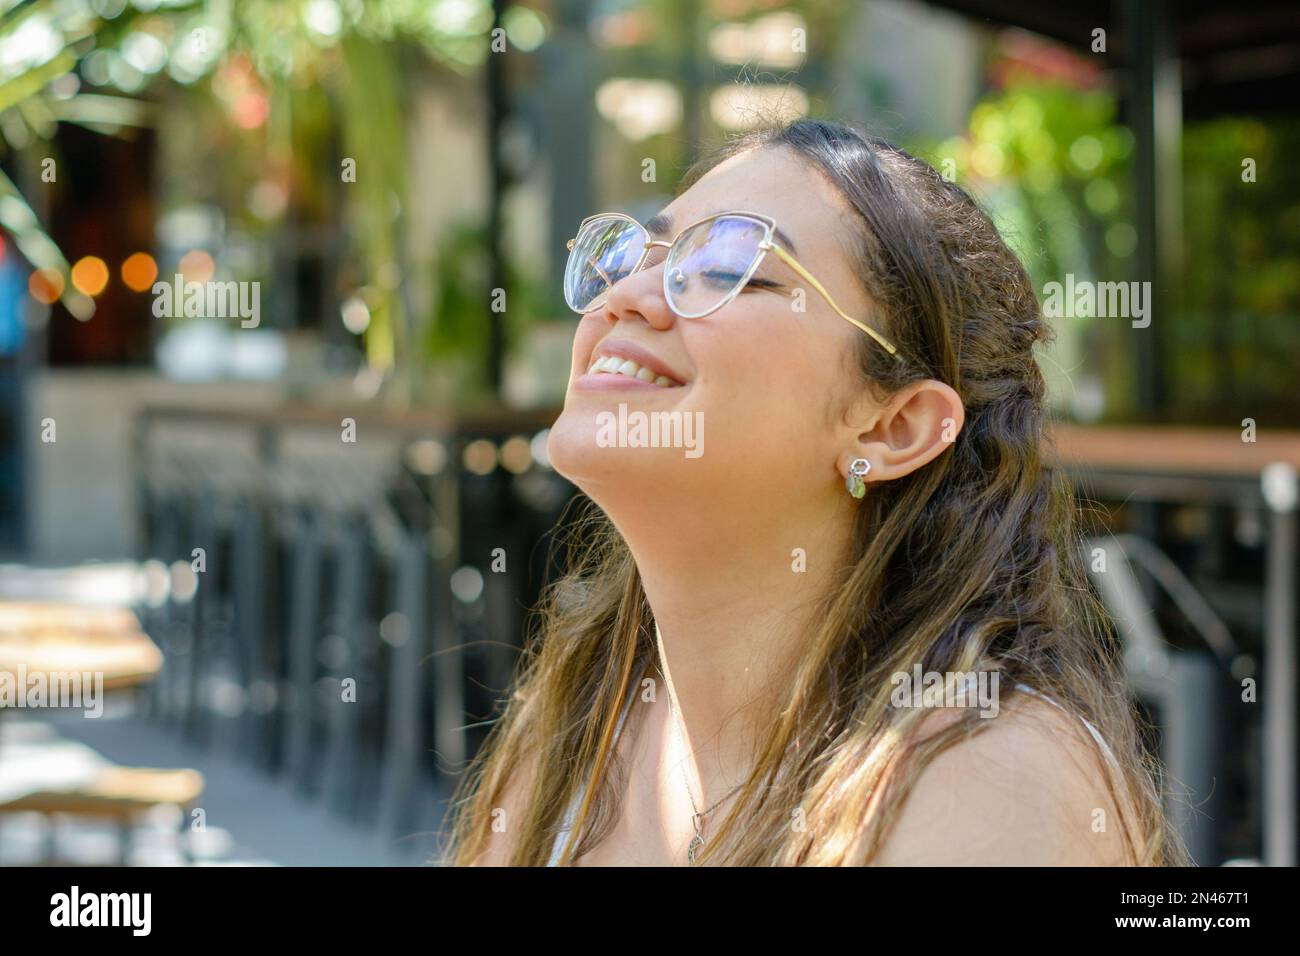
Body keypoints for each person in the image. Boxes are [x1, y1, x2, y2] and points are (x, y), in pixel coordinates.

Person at [444, 118, 1184, 866]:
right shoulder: (580, 715)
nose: (627, 296)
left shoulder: (991, 786)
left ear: (894, 428)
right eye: (635, 253)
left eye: (733, 266)